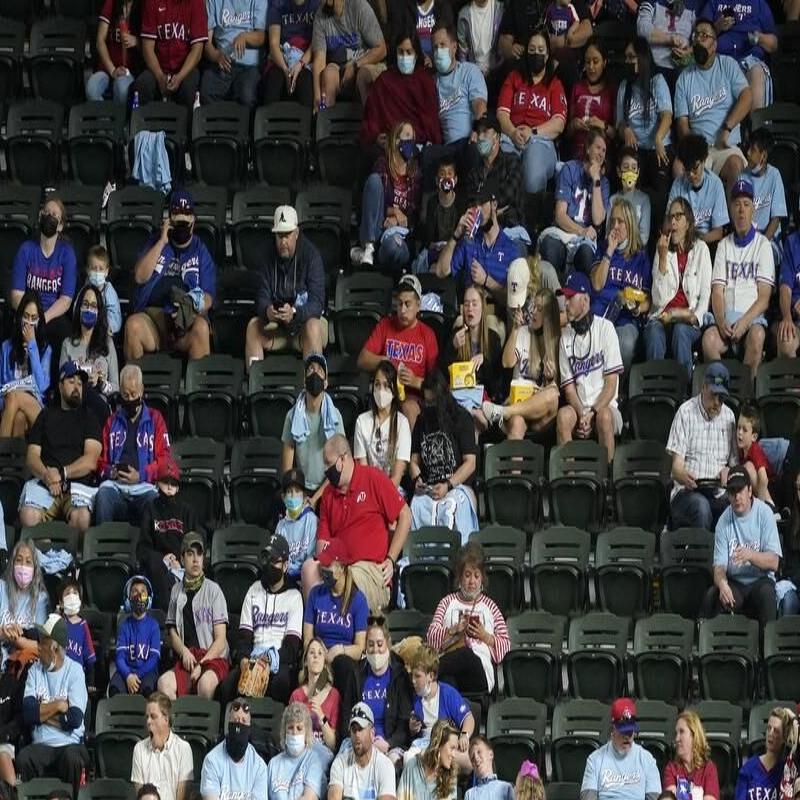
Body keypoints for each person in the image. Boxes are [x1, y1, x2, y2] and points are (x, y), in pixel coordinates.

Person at [310, 435, 411, 613]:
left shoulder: (373, 478)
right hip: (338, 567)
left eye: (328, 463)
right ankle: (314, 636)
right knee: (308, 569)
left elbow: (405, 514)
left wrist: (391, 558)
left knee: (348, 579)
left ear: (343, 458)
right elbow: (321, 545)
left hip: (371, 571)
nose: (326, 470)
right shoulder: (328, 494)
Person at [124, 189, 216, 362]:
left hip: (186, 321)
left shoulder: (200, 250)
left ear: (193, 222)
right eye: (177, 219)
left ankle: (196, 387)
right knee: (133, 325)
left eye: (185, 220)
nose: (181, 226)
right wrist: (162, 242)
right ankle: (134, 388)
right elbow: (139, 277)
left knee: (202, 328)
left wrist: (192, 305)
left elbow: (209, 296)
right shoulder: (156, 241)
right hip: (153, 319)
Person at [701, 178, 774, 381]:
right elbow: (717, 291)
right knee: (709, 340)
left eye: (746, 205)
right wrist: (721, 319)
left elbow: (764, 298)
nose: (741, 210)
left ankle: (745, 395)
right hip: (726, 321)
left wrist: (744, 322)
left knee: (758, 336)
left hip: (751, 321)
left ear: (753, 210)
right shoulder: (724, 245)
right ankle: (722, 392)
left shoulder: (763, 245)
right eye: (736, 205)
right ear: (731, 211)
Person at [18, 361, 102, 534]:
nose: (77, 387)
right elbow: (32, 456)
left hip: (77, 487)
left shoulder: (89, 417)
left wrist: (62, 473)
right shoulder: (46, 415)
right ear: (60, 385)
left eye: (80, 383)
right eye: (71, 382)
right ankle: (44, 557)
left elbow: (91, 461)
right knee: (28, 516)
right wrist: (47, 476)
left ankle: (67, 557)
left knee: (82, 518)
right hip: (46, 484)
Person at [674, 18, 752, 191]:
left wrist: (726, 129)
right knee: (679, 169)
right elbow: (682, 125)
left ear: (715, 45)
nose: (698, 39)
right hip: (699, 150)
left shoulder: (728, 65)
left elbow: (747, 97)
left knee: (735, 167)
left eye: (704, 35)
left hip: (726, 147)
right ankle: (689, 218)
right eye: (696, 35)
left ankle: (730, 219)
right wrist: (694, 150)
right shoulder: (684, 78)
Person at [700, 465, 781, 631]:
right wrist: (723, 585)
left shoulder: (764, 514)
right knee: (717, 597)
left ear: (750, 491)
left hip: (760, 581)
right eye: (732, 492)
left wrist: (750, 555)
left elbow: (774, 562)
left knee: (767, 595)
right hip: (736, 583)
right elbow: (719, 567)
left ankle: (766, 652)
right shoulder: (723, 521)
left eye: (740, 490)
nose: (737, 496)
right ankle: (722, 652)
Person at [225, 535, 303, 705]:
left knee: (281, 684)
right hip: (253, 656)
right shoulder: (253, 590)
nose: (269, 565)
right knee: (228, 685)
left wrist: (268, 660)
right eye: (266, 558)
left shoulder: (294, 596)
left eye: (274, 560)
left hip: (279, 660)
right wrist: (245, 660)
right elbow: (244, 636)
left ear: (285, 565)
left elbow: (291, 647)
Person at [245, 205, 327, 367]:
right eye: (279, 236)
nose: (283, 241)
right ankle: (255, 385)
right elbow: (261, 296)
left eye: (287, 235)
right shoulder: (266, 255)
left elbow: (317, 304)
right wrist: (268, 311)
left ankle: (313, 388)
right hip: (278, 325)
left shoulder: (311, 255)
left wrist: (295, 313)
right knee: (253, 326)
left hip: (304, 324)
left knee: (313, 326)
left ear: (296, 233)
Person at [557, 272, 624, 464]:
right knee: (563, 416)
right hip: (580, 409)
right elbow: (569, 390)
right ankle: (570, 481)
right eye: (565, 298)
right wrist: (582, 414)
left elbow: (611, 386)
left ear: (585, 299)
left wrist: (593, 413)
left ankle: (606, 481)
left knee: (603, 417)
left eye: (570, 297)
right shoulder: (565, 337)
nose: (566, 303)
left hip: (607, 408)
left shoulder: (606, 328)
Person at [427, 542, 510, 695]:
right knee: (446, 684)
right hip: (450, 671)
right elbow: (431, 638)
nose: (472, 581)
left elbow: (505, 647)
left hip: (479, 674)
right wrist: (453, 630)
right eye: (467, 575)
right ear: (459, 577)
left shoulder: (490, 606)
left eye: (476, 576)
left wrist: (484, 636)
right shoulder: (446, 603)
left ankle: (426, 670)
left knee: (466, 654)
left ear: (482, 579)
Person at [358, 274, 439, 432]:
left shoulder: (427, 334)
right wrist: (386, 362)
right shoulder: (385, 325)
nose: (402, 310)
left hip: (413, 398)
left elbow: (437, 387)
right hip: (385, 393)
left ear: (418, 305)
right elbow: (362, 359)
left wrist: (415, 381)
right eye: (399, 304)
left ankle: (410, 456)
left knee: (409, 409)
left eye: (408, 304)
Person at [303, 539, 368, 734]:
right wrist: (317, 653)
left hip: (342, 658)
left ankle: (346, 732)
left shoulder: (358, 600)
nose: (323, 569)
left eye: (328, 565)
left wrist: (340, 650)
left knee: (346, 667)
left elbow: (359, 647)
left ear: (341, 568)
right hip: (318, 654)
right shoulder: (316, 594)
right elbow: (307, 637)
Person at [17, 614, 89, 787]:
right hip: (41, 745)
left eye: (43, 642)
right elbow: (28, 713)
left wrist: (41, 715)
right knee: (24, 757)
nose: (38, 647)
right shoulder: (34, 670)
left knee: (73, 759)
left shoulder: (75, 671)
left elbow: (74, 719)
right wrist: (58, 705)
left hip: (70, 745)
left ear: (55, 648)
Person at [95, 364, 171, 526]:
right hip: (115, 485)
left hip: (144, 485)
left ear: (142, 390)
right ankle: (103, 549)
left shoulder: (155, 419)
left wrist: (142, 475)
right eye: (125, 395)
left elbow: (164, 460)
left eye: (133, 394)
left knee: (154, 501)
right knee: (102, 496)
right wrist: (111, 471)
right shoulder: (111, 421)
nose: (129, 399)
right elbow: (100, 462)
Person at [645, 197, 712, 380]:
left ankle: (685, 389)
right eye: (670, 217)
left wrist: (687, 316)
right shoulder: (662, 249)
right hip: (663, 317)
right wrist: (663, 259)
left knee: (681, 331)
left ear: (688, 222)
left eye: (678, 217)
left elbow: (705, 296)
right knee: (653, 331)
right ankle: (655, 390)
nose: (672, 221)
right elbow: (658, 300)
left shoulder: (701, 250)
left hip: (688, 320)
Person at [483, 284, 561, 438]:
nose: (533, 312)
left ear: (548, 315)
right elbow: (507, 362)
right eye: (533, 307)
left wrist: (551, 379)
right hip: (518, 402)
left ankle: (503, 412)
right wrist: (515, 329)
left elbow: (557, 390)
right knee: (517, 423)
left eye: (539, 309)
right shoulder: (524, 332)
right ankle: (514, 463)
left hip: (541, 413)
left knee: (552, 395)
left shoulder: (557, 341)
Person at [159, 533, 230, 700]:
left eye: (199, 554)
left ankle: (202, 725)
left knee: (204, 684)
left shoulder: (214, 590)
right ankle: (176, 725)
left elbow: (221, 641)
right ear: (182, 559)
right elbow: (172, 632)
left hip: (212, 657)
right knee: (164, 684)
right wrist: (184, 652)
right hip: (189, 657)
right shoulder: (176, 590)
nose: (196, 559)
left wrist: (202, 664)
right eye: (190, 554)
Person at [667, 361, 737, 530]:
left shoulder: (729, 417)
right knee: (701, 507)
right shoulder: (685, 412)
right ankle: (700, 556)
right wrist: (684, 476)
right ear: (704, 387)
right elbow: (676, 468)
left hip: (718, 492)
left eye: (722, 397)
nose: (718, 402)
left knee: (735, 507)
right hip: (687, 492)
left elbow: (735, 466)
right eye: (714, 395)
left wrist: (729, 471)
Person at [496, 29, 567, 194]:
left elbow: (559, 123)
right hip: (511, 137)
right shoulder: (514, 78)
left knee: (532, 171)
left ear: (548, 55)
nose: (537, 54)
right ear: (526, 53)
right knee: (502, 166)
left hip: (540, 141)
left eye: (541, 50)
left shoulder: (554, 84)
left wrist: (533, 132)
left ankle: (533, 217)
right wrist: (513, 132)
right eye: (532, 50)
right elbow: (502, 113)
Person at [410, 370, 479, 542]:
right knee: (417, 506)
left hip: (457, 486)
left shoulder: (461, 418)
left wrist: (448, 485)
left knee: (451, 505)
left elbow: (470, 463)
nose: (429, 406)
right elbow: (414, 461)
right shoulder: (422, 420)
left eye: (433, 402)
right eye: (426, 402)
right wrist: (416, 478)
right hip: (430, 487)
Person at [11, 197, 76, 368]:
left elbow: (66, 299)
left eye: (54, 214)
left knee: (63, 334)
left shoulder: (67, 253)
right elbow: (16, 295)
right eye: (46, 212)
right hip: (27, 312)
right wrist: (30, 316)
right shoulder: (26, 249)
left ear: (60, 225)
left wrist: (43, 319)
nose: (49, 216)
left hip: (51, 315)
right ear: (40, 217)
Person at [589, 196, 652, 374]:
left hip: (626, 319)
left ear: (630, 225)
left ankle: (617, 389)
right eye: (613, 221)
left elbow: (647, 299)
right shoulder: (602, 248)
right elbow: (597, 284)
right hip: (600, 313)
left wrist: (637, 309)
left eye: (621, 222)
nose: (615, 226)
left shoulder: (641, 257)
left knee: (624, 342)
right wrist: (609, 251)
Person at [434, 181, 523, 305]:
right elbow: (440, 271)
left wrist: (486, 280)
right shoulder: (468, 241)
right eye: (474, 205)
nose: (478, 210)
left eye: (482, 203)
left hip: (496, 316)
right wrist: (456, 235)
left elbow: (514, 300)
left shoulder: (511, 249)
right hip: (469, 313)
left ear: (494, 205)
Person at [538, 129, 610, 279]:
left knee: (586, 256)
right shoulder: (570, 169)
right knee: (550, 248)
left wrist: (596, 180)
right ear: (588, 148)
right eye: (597, 148)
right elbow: (560, 215)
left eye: (604, 150)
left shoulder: (603, 183)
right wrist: (580, 230)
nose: (601, 153)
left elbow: (597, 220)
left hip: (584, 241)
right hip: (563, 232)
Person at [351, 120, 422, 271]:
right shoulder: (382, 165)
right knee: (374, 180)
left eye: (413, 138)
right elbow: (375, 202)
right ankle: (368, 248)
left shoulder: (415, 172)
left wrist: (397, 220)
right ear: (397, 141)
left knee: (394, 247)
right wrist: (393, 211)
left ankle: (368, 256)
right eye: (407, 137)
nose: (412, 142)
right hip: (377, 229)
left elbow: (414, 213)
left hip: (399, 234)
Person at [281, 353, 345, 508]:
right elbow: (287, 468)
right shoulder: (292, 416)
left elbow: (339, 466)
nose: (315, 373)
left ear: (326, 382)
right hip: (301, 488)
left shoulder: (335, 416)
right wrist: (298, 496)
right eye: (310, 370)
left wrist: (316, 498)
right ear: (304, 381)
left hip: (328, 487)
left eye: (320, 371)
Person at [360, 30, 441, 150]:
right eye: (401, 52)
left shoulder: (425, 81)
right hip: (390, 147)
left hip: (419, 146)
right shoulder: (384, 81)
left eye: (409, 52)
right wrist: (376, 137)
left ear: (416, 54)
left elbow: (431, 123)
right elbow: (371, 119)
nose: (404, 57)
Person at [427, 22, 487, 181]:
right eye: (435, 47)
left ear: (454, 47)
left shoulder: (469, 71)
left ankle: (473, 203)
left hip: (469, 141)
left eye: (442, 45)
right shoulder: (431, 83)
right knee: (426, 155)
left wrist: (477, 129)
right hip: (447, 149)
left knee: (475, 152)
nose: (438, 51)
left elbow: (479, 105)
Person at [351, 615, 413, 765]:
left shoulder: (399, 675)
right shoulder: (356, 674)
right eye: (370, 644)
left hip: (390, 745)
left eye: (380, 644)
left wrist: (388, 743)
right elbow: (348, 713)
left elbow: (404, 721)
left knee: (391, 762)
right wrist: (364, 741)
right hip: (361, 741)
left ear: (388, 644)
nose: (375, 649)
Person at [441, 285, 505, 429]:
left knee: (474, 421)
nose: (470, 308)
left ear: (483, 307)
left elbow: (497, 384)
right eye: (466, 303)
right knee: (470, 419)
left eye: (475, 304)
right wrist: (453, 347)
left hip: (483, 399)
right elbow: (443, 374)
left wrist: (485, 361)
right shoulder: (455, 335)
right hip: (459, 397)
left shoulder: (493, 339)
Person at [137, 459, 197, 612]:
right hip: (158, 566)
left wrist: (181, 561)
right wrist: (163, 559)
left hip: (182, 566)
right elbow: (143, 547)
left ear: (178, 487)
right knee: (155, 564)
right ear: (157, 483)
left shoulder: (187, 511)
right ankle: (165, 616)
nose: (169, 487)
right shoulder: (150, 509)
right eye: (165, 482)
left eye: (173, 483)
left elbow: (195, 544)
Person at [617, 36, 673, 197]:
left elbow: (667, 116)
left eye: (632, 57)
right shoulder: (624, 86)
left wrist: (658, 138)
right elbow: (619, 123)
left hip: (658, 148)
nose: (628, 61)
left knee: (659, 194)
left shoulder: (657, 81)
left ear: (642, 57)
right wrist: (625, 129)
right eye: (626, 57)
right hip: (636, 150)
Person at [699, 0, 777, 110]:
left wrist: (759, 38)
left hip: (750, 60)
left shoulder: (760, 4)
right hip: (719, 60)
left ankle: (758, 125)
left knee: (758, 72)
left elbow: (773, 45)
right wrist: (717, 27)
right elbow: (700, 37)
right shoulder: (715, 2)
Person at [310, 0, 387, 110]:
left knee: (363, 75)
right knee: (328, 75)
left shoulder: (359, 7)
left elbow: (381, 49)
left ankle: (370, 122)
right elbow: (319, 60)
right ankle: (327, 122)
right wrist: (317, 99)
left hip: (366, 62)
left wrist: (355, 65)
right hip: (339, 66)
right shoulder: (320, 15)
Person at [407, 645, 474, 772]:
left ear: (431, 676)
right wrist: (412, 729)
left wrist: (464, 735)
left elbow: (469, 719)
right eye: (412, 676)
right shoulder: (415, 698)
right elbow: (413, 735)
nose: (413, 681)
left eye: (417, 676)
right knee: (408, 758)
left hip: (445, 744)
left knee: (468, 761)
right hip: (424, 746)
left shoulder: (448, 693)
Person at [581, 698, 662, 800]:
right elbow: (588, 798)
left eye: (629, 732)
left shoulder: (647, 759)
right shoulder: (594, 760)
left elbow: (655, 798)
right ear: (612, 730)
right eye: (623, 732)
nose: (627, 737)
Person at [60, 284, 118, 421]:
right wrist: (79, 381)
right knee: (82, 388)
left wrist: (101, 383)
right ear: (79, 308)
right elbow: (61, 383)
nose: (89, 309)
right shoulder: (67, 344)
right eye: (85, 304)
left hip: (99, 408)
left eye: (93, 306)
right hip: (74, 405)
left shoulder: (107, 344)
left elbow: (116, 388)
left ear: (99, 313)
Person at [135, 0, 208, 108]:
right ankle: (147, 124)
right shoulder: (151, 2)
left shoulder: (196, 2)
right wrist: (160, 76)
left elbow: (197, 51)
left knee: (188, 88)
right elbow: (147, 48)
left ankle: (184, 124)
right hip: (159, 67)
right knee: (143, 84)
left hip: (185, 68)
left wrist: (179, 77)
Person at [0, 290, 51, 439]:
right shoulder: (6, 347)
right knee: (19, 418)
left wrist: (32, 345)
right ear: (19, 317)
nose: (29, 322)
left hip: (35, 407)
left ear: (39, 320)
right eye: (26, 316)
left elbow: (42, 386)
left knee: (14, 397)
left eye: (34, 318)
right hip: (9, 407)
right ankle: (14, 462)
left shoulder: (45, 349)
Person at [354, 362, 412, 489]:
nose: (381, 390)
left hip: (393, 491)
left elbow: (397, 477)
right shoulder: (361, 421)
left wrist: (382, 497)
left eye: (386, 385)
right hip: (368, 490)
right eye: (377, 385)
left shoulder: (402, 423)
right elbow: (363, 472)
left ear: (394, 390)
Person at [200, 0, 267, 108]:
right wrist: (217, 56)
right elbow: (207, 44)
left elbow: (262, 37)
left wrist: (245, 37)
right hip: (223, 63)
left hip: (249, 67)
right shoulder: (213, 2)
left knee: (247, 95)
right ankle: (220, 125)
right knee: (206, 92)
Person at [200, 698, 268, 800]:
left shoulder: (259, 766)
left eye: (243, 721)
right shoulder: (212, 760)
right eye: (235, 720)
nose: (239, 725)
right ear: (228, 725)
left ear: (250, 728)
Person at [328, 702, 397, 800]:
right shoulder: (340, 763)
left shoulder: (385, 765)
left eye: (360, 729)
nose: (357, 735)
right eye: (353, 730)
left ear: (372, 733)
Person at [668, 135, 729, 245]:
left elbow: (718, 232)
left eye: (695, 168)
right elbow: (668, 223)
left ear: (704, 161)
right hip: (682, 243)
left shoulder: (715, 184)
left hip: (706, 243)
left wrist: (698, 241)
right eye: (687, 169)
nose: (691, 175)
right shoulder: (678, 184)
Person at [131, 692, 193, 800]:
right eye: (147, 717)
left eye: (153, 716)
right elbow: (140, 795)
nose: (148, 721)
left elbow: (182, 797)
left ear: (166, 719)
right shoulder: (139, 749)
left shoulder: (183, 749)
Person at [464, 114, 523, 229]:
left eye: (485, 132)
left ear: (497, 137)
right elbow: (471, 204)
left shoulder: (512, 161)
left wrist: (482, 202)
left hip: (510, 229)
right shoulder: (474, 172)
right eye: (479, 132)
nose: (480, 137)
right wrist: (495, 210)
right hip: (482, 232)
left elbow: (507, 194)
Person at [742, 128, 787, 269]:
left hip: (770, 239)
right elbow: (740, 217)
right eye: (748, 148)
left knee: (761, 261)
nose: (748, 153)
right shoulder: (742, 177)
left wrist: (761, 243)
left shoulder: (775, 175)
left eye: (753, 150)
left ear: (764, 155)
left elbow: (776, 219)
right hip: (747, 237)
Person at [0, 540, 49, 667]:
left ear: (35, 567)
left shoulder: (41, 598)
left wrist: (15, 639)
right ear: (12, 563)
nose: (23, 566)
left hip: (23, 665)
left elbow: (41, 646)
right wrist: (4, 633)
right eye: (19, 560)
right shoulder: (1, 587)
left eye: (28, 562)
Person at [266, 702, 328, 800]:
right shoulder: (273, 764)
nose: (294, 732)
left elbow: (309, 797)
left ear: (306, 732)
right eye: (290, 727)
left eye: (299, 728)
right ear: (284, 731)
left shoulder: (313, 761)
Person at [566, 37, 616, 160]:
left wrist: (603, 125)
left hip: (601, 156)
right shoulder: (577, 87)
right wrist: (573, 125)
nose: (591, 67)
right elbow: (567, 133)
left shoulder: (611, 90)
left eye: (595, 61)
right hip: (577, 153)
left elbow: (617, 134)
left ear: (604, 62)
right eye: (587, 62)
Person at [111, 575, 161, 696]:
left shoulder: (154, 626)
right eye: (135, 592)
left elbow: (154, 658)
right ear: (128, 599)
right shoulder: (124, 626)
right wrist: (128, 675)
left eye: (143, 592)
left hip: (147, 672)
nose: (139, 596)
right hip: (126, 672)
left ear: (148, 598)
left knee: (148, 691)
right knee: (114, 690)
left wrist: (136, 676)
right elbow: (120, 657)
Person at [289, 638, 341, 752]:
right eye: (311, 652)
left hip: (323, 752)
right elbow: (292, 737)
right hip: (302, 751)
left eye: (320, 653)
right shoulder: (296, 695)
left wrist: (321, 716)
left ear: (324, 662)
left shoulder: (334, 695)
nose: (315, 656)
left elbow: (332, 744)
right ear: (306, 661)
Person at [263, 0, 319, 106]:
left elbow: (316, 43)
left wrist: (300, 64)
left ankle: (308, 121)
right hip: (282, 57)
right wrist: (286, 70)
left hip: (306, 58)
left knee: (305, 81)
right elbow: (274, 44)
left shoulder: (316, 4)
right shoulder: (277, 4)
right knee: (275, 79)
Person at [87, 0, 142, 104]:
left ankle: (119, 119)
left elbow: (151, 45)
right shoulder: (111, 3)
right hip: (107, 68)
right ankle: (105, 119)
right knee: (92, 89)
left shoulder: (143, 6)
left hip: (130, 70)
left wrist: (137, 41)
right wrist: (112, 70)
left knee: (122, 89)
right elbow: (100, 41)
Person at [735, 709, 794, 800]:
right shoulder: (748, 768)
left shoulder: (786, 771)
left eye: (776, 731)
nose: (770, 733)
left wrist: (793, 718)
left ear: (784, 737)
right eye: (769, 728)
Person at [663, 711, 720, 800]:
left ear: (694, 735)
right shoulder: (671, 768)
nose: (677, 738)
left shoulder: (709, 769)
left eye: (681, 732)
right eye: (676, 733)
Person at [636, 0, 696, 86]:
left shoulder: (694, 4)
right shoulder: (651, 2)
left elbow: (699, 35)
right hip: (655, 64)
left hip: (684, 65)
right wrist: (670, 39)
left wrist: (688, 51)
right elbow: (642, 29)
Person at [275, 469, 318, 586]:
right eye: (289, 492)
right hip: (287, 580)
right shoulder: (281, 526)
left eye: (297, 491)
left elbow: (312, 557)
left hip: (307, 578)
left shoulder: (311, 520)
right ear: (283, 497)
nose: (293, 496)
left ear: (304, 496)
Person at [397, 720, 458, 800]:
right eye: (452, 748)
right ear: (439, 744)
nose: (454, 755)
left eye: (456, 749)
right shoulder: (413, 766)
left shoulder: (451, 775)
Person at [57, 579, 96, 698]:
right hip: (59, 676)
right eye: (67, 593)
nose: (72, 596)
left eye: (75, 593)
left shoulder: (83, 625)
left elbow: (89, 657)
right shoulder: (58, 623)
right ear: (61, 602)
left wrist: (90, 682)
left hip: (78, 676)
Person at [610, 147, 652, 248]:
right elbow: (609, 232)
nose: (630, 172)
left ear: (638, 172)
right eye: (626, 167)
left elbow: (644, 237)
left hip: (636, 253)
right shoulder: (612, 199)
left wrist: (627, 247)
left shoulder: (644, 200)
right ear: (619, 171)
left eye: (633, 168)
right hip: (616, 250)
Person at [736, 403, 776, 507]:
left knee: (748, 466)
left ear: (754, 437)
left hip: (768, 488)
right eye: (738, 427)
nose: (739, 432)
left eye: (744, 430)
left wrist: (761, 507)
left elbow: (763, 478)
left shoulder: (755, 449)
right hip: (755, 491)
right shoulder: (740, 449)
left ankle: (770, 506)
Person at [85, 245, 123, 336]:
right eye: (94, 268)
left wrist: (108, 327)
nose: (97, 272)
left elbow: (114, 313)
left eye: (101, 269)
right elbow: (77, 308)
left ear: (106, 272)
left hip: (105, 332)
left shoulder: (108, 290)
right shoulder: (85, 289)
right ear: (87, 270)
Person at [777, 230, 800, 359]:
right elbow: (785, 287)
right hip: (797, 320)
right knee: (785, 339)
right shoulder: (792, 242)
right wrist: (787, 317)